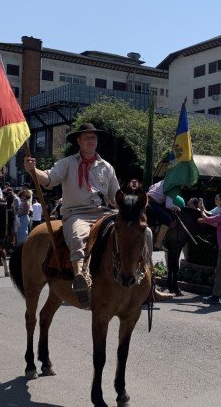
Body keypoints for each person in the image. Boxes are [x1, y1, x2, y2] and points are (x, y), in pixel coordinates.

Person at [25, 123, 169, 306]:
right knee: (79, 233)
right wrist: (33, 170)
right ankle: (80, 276)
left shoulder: (106, 167)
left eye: (93, 137)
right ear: (79, 141)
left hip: (104, 213)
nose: (91, 141)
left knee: (145, 232)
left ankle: (149, 283)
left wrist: (130, 207)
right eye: (87, 137)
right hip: (76, 213)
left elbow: (116, 195)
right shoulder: (67, 163)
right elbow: (48, 178)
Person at [146, 179, 181, 249]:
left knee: (152, 227)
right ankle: (158, 243)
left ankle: (147, 242)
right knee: (167, 219)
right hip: (151, 204)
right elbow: (168, 205)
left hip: (146, 199)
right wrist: (178, 208)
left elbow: (151, 188)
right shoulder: (173, 187)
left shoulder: (163, 181)